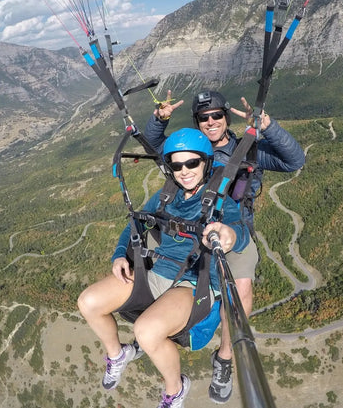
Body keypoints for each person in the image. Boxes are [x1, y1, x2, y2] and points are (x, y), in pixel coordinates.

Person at [144, 89, 306, 403]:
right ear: (196, 122)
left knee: (240, 290)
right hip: (192, 224)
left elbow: (294, 161)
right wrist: (157, 121)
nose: (211, 121)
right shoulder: (194, 149)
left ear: (226, 117)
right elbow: (156, 148)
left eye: (216, 115)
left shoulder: (248, 150)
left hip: (235, 229)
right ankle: (160, 326)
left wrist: (268, 127)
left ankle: (226, 357)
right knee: (152, 257)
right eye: (203, 118)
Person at [77, 128, 251, 408]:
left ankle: (175, 389)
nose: (184, 171)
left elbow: (239, 231)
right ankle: (117, 354)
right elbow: (136, 223)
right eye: (176, 165)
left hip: (193, 283)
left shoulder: (220, 201)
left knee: (146, 332)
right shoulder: (165, 197)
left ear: (206, 162)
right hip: (157, 271)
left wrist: (229, 235)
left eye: (192, 163)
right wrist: (120, 255)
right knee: (89, 302)